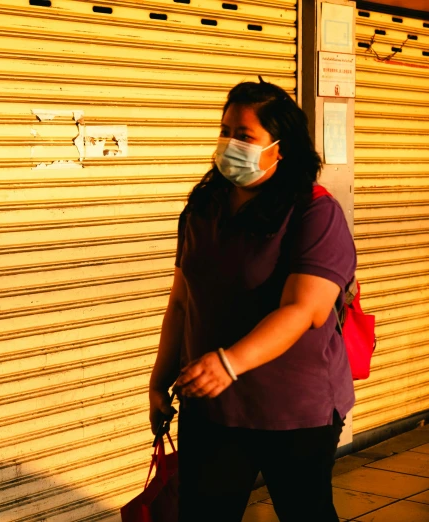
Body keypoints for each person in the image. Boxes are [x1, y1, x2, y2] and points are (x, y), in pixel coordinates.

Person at [148, 79, 356, 522]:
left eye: (244, 135)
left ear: (281, 148)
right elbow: (183, 301)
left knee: (306, 512)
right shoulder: (204, 209)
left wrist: (228, 363)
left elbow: (304, 310)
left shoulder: (314, 213)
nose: (229, 143)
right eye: (225, 131)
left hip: (295, 409)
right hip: (211, 404)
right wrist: (159, 379)